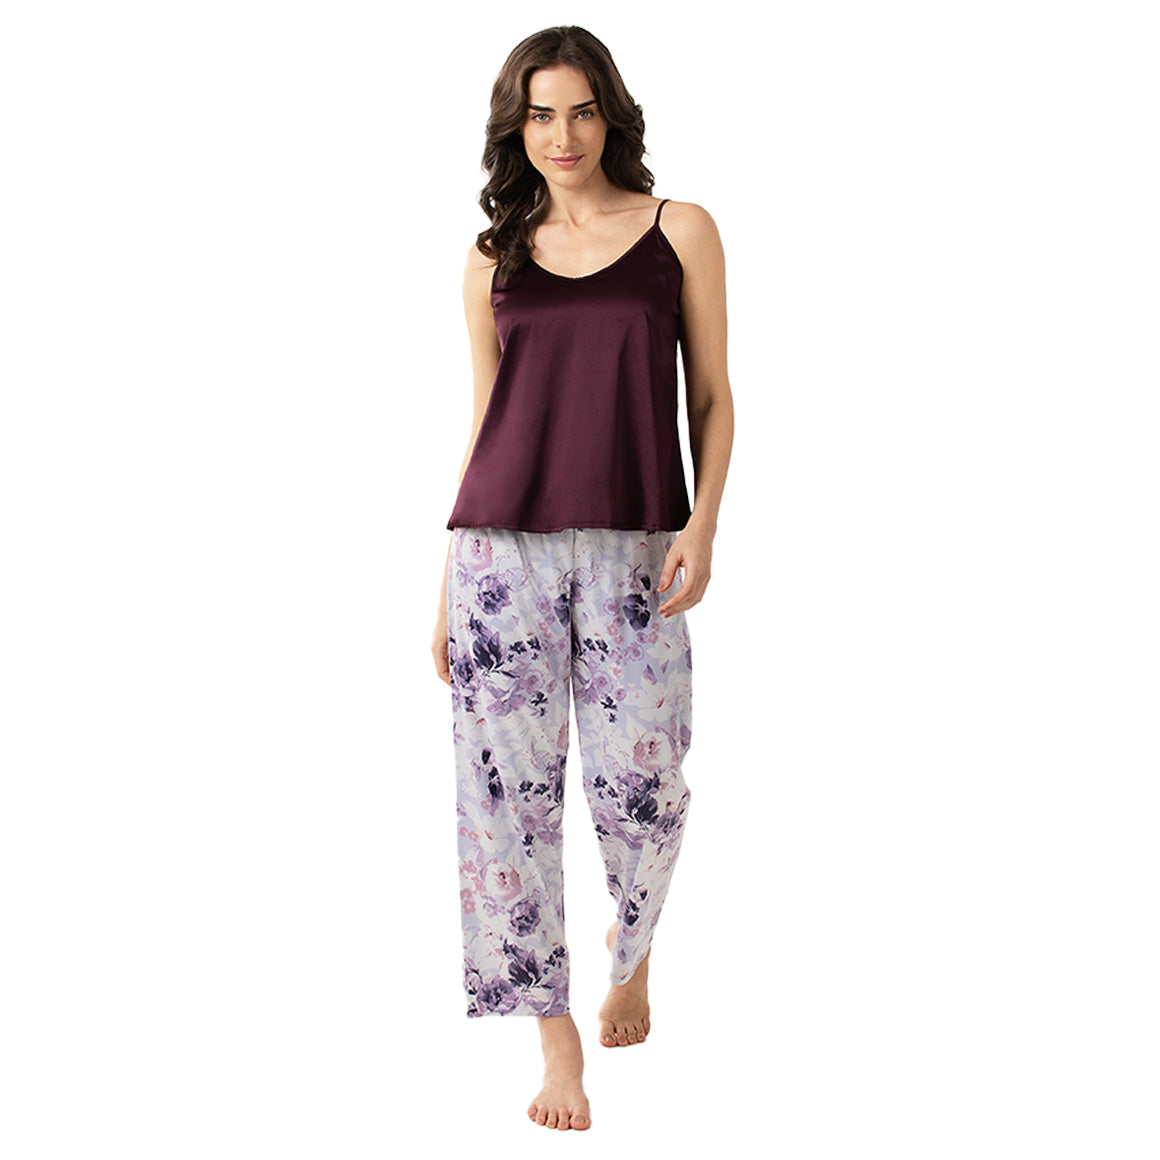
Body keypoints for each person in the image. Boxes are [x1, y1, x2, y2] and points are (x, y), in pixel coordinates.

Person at [430, 25, 733, 1131]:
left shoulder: (677, 230)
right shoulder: (491, 258)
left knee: (644, 786)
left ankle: (631, 949)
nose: (562, 135)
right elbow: (486, 419)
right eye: (540, 114)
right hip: (498, 556)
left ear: (611, 114)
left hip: (632, 547)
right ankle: (555, 1036)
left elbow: (712, 394)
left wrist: (703, 521)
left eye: (582, 110)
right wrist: (444, 585)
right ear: (516, 127)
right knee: (505, 802)